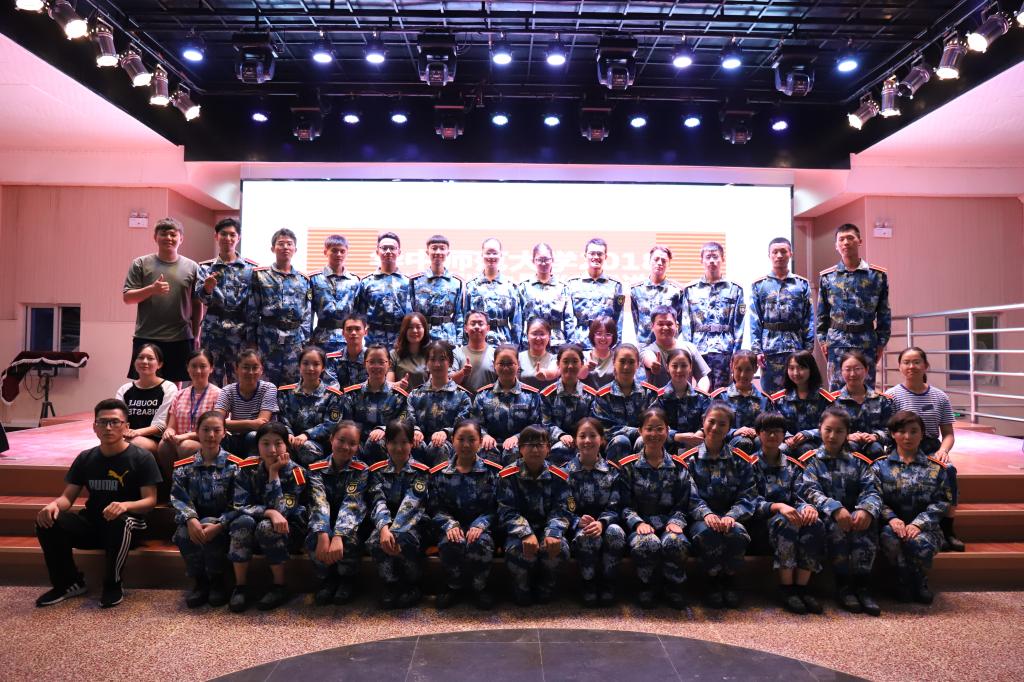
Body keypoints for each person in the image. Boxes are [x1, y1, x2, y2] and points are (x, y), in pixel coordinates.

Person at [35, 399, 161, 608]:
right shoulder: (86, 458)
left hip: (128, 525)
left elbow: (150, 501)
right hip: (93, 523)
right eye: (102, 422)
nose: (108, 427)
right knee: (48, 521)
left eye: (115, 422)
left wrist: (125, 506)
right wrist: (54, 505)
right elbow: (67, 498)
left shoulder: (142, 457)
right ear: (94, 427)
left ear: (126, 427)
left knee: (120, 521)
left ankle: (113, 584)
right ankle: (68, 583)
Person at [227, 421, 324, 612]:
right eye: (265, 443)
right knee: (241, 522)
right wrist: (268, 512)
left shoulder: (297, 473)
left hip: (288, 530)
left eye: (278, 444)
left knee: (267, 526)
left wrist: (274, 473)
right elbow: (239, 505)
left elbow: (282, 511)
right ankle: (240, 587)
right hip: (255, 526)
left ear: (286, 446)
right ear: (257, 446)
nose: (272, 450)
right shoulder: (246, 468)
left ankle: (279, 586)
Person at [798, 406, 882, 616]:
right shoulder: (811, 460)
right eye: (828, 430)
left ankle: (863, 587)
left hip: (855, 514)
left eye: (839, 431)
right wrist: (835, 508)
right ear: (820, 429)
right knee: (836, 527)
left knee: (867, 523)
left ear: (847, 433)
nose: (832, 436)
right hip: (828, 517)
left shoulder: (858, 461)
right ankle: (843, 586)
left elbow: (872, 490)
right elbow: (809, 490)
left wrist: (866, 509)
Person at [618, 408, 701, 609]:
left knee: (675, 541)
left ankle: (674, 587)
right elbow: (623, 504)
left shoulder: (679, 466)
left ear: (667, 431)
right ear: (640, 431)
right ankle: (647, 586)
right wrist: (638, 522)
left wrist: (676, 521)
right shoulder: (628, 467)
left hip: (669, 523)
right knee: (647, 542)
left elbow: (685, 502)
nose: (654, 434)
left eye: (659, 429)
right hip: (640, 525)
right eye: (649, 429)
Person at [680, 403, 758, 609]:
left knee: (737, 533)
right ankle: (712, 581)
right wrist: (706, 514)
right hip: (700, 518)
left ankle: (729, 579)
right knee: (708, 532)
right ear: (703, 422)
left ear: (730, 427)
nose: (715, 428)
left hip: (731, 516)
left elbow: (748, 495)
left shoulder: (740, 460)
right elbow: (688, 495)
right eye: (711, 422)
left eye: (722, 424)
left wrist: (732, 515)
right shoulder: (689, 460)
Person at [874, 411, 954, 604]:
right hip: (891, 525)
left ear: (922, 434)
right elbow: (874, 497)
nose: (907, 437)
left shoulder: (935, 467)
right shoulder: (879, 466)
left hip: (926, 528)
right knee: (890, 538)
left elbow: (942, 501)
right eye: (901, 431)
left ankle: (918, 580)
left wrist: (918, 524)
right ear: (893, 434)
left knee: (918, 543)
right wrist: (892, 518)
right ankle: (903, 580)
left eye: (913, 431)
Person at [886, 346, 962, 551]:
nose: (911, 366)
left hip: (930, 448)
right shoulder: (891, 396)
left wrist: (943, 451)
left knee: (948, 470)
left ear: (926, 365)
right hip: (901, 447)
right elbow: (888, 431)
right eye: (906, 362)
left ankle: (948, 529)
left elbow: (948, 434)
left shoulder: (940, 396)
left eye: (916, 362)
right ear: (900, 367)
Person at [750, 411, 825, 615]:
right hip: (761, 523)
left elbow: (802, 494)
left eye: (777, 431)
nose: (772, 435)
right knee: (785, 522)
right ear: (758, 434)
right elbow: (749, 501)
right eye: (767, 431)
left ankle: (802, 587)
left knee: (814, 523)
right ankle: (787, 588)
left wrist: (807, 507)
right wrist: (778, 507)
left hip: (790, 516)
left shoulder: (793, 465)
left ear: (784, 434)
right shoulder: (749, 465)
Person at [169, 410, 241, 608]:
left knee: (210, 526)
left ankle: (217, 581)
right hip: (194, 521)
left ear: (224, 433)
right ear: (196, 432)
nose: (211, 435)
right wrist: (190, 519)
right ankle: (200, 582)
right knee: (183, 533)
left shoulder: (236, 465)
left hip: (224, 523)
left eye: (216, 430)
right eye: (206, 430)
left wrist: (220, 524)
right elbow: (178, 497)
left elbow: (240, 502)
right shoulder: (183, 466)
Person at [429, 419, 502, 610]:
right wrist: (450, 524)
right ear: (452, 440)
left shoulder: (492, 472)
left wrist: (481, 524)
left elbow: (497, 507)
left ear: (480, 442)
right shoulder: (440, 473)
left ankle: (480, 587)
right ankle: (454, 586)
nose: (466, 445)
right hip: (452, 526)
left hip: (482, 527)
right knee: (451, 541)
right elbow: (435, 508)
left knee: (480, 542)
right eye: (461, 439)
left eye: (472, 439)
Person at [497, 424, 571, 606]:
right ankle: (521, 588)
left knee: (560, 547)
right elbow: (506, 510)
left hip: (547, 528)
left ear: (548, 449)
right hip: (519, 532)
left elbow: (563, 509)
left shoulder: (559, 476)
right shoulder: (507, 476)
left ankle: (546, 586)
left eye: (540, 445)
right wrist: (525, 533)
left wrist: (553, 532)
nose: (535, 450)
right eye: (530, 445)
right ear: (520, 448)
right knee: (516, 549)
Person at [122, 217, 200, 383]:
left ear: (181, 239)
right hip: (147, 336)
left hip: (180, 338)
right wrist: (152, 289)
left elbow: (196, 303)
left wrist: (196, 335)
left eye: (173, 234)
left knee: (174, 389)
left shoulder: (192, 267)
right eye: (164, 234)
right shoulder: (140, 263)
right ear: (155, 237)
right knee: (145, 385)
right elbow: (127, 298)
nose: (168, 238)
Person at [816, 223, 891, 391]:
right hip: (837, 342)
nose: (846, 242)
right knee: (837, 392)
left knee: (865, 390)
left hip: (866, 342)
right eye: (841, 239)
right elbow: (822, 314)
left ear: (860, 241)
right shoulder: (827, 277)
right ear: (836, 245)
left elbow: (884, 313)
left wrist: (881, 343)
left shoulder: (877, 276)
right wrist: (823, 341)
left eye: (850, 238)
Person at [305, 421, 372, 606]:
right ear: (331, 439)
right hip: (323, 520)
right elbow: (319, 501)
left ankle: (346, 580)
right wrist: (323, 533)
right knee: (314, 538)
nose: (346, 447)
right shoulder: (315, 469)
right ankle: (327, 579)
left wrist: (338, 535)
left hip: (350, 522)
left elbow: (352, 504)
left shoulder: (361, 470)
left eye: (352, 443)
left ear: (358, 446)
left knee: (350, 540)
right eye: (341, 440)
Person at [367, 419, 430, 609]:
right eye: (393, 442)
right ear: (386, 444)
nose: (399, 448)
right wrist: (384, 528)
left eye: (404, 442)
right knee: (375, 540)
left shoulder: (421, 471)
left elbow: (412, 504)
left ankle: (412, 585)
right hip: (385, 523)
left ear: (412, 443)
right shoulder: (377, 471)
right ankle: (391, 584)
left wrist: (393, 531)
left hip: (414, 523)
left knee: (404, 538)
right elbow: (377, 500)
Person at [563, 418, 625, 607]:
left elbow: (616, 505)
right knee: (586, 535)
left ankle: (608, 583)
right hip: (578, 526)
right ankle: (588, 583)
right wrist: (577, 519)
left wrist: (602, 522)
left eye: (592, 436)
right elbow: (566, 504)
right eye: (582, 436)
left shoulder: (613, 472)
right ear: (575, 440)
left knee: (615, 533)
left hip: (607, 523)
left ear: (602, 440)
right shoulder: (566, 472)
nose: (587, 440)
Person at [195, 218, 257, 386]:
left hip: (239, 331)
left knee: (238, 379)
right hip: (213, 330)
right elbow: (200, 298)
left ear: (239, 238)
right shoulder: (206, 268)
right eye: (223, 234)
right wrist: (207, 288)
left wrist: (252, 336)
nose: (228, 238)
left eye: (232, 235)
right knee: (211, 378)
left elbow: (254, 305)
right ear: (216, 236)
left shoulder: (251, 269)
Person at [247, 228, 312, 386]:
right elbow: (251, 311)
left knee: (292, 385)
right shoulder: (260, 275)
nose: (285, 247)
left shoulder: (304, 280)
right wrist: (252, 342)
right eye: (281, 244)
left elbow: (307, 313)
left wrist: (304, 341)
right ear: (273, 248)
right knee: (265, 384)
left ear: (295, 249)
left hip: (294, 342)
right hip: (268, 339)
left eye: (289, 244)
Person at [750, 238, 814, 394]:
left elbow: (809, 319)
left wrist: (808, 348)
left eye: (783, 251)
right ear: (769, 255)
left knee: (797, 392)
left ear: (791, 253)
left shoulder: (802, 284)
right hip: (769, 349)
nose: (779, 255)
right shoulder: (760, 285)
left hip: (796, 347)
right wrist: (757, 350)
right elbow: (754, 319)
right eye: (775, 252)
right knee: (770, 395)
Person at [679, 242, 746, 391]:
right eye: (708, 257)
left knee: (723, 393)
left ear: (722, 259)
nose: (712, 261)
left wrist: (736, 353)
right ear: (701, 260)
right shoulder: (690, 289)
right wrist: (688, 352)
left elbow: (739, 324)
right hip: (699, 349)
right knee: (701, 392)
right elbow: (686, 323)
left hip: (725, 349)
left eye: (715, 257)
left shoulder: (735, 289)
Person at [471, 344, 543, 465]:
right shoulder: (483, 395)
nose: (505, 368)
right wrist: (485, 436)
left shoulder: (531, 395)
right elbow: (475, 424)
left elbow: (536, 425)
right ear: (494, 365)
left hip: (520, 446)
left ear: (518, 364)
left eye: (510, 364)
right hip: (489, 444)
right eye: (501, 364)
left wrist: (518, 437)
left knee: (514, 452)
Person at [275, 346, 347, 466]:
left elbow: (331, 424)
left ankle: (309, 476)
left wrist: (307, 435)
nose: (310, 368)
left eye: (316, 364)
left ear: (323, 367)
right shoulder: (285, 392)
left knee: (306, 447)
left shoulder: (333, 396)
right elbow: (282, 418)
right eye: (305, 363)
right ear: (299, 366)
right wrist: (288, 433)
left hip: (317, 444)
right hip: (288, 439)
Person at [158, 349, 221, 484]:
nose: (198, 371)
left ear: (211, 369)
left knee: (186, 446)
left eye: (203, 366)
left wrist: (185, 436)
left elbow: (216, 429)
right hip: (179, 440)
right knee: (164, 445)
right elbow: (171, 426)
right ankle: (174, 485)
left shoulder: (219, 394)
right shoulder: (179, 394)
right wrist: (169, 431)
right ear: (187, 368)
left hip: (207, 442)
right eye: (193, 366)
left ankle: (191, 487)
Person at [408, 340, 474, 466]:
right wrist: (415, 430)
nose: (437, 364)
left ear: (450, 362)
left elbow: (463, 426)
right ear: (426, 363)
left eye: (442, 359)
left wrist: (446, 432)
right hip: (419, 444)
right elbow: (408, 420)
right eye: (432, 359)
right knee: (413, 443)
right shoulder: (415, 395)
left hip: (449, 447)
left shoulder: (462, 396)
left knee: (439, 446)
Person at [592, 344, 660, 463]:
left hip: (645, 442)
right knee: (621, 441)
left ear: (638, 364)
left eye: (631, 362)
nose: (626, 367)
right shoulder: (603, 396)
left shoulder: (649, 393)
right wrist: (638, 432)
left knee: (645, 440)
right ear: (614, 362)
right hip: (615, 448)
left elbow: (656, 424)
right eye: (622, 361)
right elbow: (605, 429)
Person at [344, 344, 411, 464]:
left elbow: (403, 423)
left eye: (381, 362)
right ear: (364, 364)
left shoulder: (398, 396)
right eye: (371, 362)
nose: (376, 366)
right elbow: (345, 423)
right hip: (356, 443)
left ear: (389, 364)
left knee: (377, 442)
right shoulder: (352, 394)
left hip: (387, 445)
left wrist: (385, 429)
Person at [115, 343, 179, 457]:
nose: (145, 361)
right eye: (140, 357)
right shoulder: (124, 389)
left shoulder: (168, 387)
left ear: (159, 364)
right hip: (128, 437)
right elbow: (117, 418)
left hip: (157, 442)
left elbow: (161, 425)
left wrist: (136, 432)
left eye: (150, 358)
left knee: (134, 443)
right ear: (134, 362)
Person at [539, 344, 599, 466]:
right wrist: (561, 435)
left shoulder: (591, 395)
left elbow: (593, 423)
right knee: (561, 448)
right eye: (565, 362)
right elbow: (545, 424)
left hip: (585, 441)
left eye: (575, 362)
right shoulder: (547, 395)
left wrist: (580, 438)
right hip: (555, 442)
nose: (570, 366)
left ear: (582, 364)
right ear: (558, 364)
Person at [214, 348, 278, 457]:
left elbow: (262, 424)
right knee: (216, 435)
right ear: (236, 369)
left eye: (255, 368)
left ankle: (252, 467)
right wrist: (252, 423)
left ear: (261, 370)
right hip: (236, 438)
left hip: (263, 438)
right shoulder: (228, 390)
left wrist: (229, 424)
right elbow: (216, 421)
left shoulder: (269, 388)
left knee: (253, 436)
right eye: (246, 367)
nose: (251, 372)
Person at [832, 350, 894, 460]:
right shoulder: (832, 400)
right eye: (848, 369)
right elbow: (824, 429)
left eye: (857, 369)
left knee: (875, 448)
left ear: (866, 370)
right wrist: (846, 436)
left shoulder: (881, 400)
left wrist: (875, 436)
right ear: (841, 372)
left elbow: (891, 430)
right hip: (843, 453)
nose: (852, 374)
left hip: (874, 450)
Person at [710, 350, 775, 454]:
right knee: (743, 442)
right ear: (731, 366)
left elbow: (771, 427)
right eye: (738, 369)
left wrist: (757, 432)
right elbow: (710, 428)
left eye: (748, 370)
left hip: (759, 449)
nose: (743, 375)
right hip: (726, 451)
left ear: (755, 369)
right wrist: (735, 432)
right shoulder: (720, 397)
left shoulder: (764, 400)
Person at [770, 350, 832, 457]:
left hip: (816, 444)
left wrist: (808, 434)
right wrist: (787, 437)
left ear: (811, 369)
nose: (796, 373)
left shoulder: (824, 399)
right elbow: (775, 424)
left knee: (805, 449)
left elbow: (831, 427)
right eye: (791, 368)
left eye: (801, 368)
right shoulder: (778, 399)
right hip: (786, 443)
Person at [357, 232, 413, 348]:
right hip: (374, 339)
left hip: (400, 340)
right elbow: (360, 314)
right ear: (377, 251)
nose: (388, 251)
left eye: (392, 248)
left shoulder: (408, 282)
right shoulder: (366, 282)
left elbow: (413, 313)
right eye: (384, 248)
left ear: (399, 252)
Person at [464, 237, 522, 347]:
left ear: (500, 255)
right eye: (488, 253)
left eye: (495, 253)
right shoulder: (471, 286)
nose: (491, 256)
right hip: (478, 340)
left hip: (503, 340)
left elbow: (516, 321)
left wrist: (515, 347)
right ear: (482, 254)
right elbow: (465, 318)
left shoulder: (510, 287)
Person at [517, 242, 576, 351]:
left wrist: (571, 347)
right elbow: (518, 320)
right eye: (540, 260)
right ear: (533, 261)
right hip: (530, 342)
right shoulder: (524, 287)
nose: (543, 263)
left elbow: (569, 320)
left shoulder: (562, 287)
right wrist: (517, 346)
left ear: (552, 260)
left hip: (556, 342)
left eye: (546, 259)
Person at [567, 238, 624, 349]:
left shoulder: (615, 285)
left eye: (600, 254)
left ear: (605, 257)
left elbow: (619, 319)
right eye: (592, 253)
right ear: (585, 256)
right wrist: (571, 345)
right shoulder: (572, 284)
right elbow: (568, 318)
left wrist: (616, 347)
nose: (596, 257)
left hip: (605, 343)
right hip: (579, 343)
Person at [310, 234, 362, 354]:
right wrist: (308, 338)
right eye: (334, 251)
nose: (339, 254)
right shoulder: (315, 279)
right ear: (325, 252)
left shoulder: (355, 281)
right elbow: (308, 313)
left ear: (347, 253)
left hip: (347, 338)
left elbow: (358, 313)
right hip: (321, 338)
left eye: (342, 251)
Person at [410, 234, 464, 347]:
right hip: (422, 336)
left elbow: (459, 315)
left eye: (442, 248)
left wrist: (459, 342)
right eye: (434, 248)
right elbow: (410, 313)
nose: (438, 252)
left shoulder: (456, 282)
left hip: (448, 336)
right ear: (427, 252)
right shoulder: (415, 281)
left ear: (448, 252)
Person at [656, 348, 712, 454]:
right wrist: (677, 436)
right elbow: (654, 426)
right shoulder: (658, 397)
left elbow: (711, 421)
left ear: (690, 367)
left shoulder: (702, 398)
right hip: (665, 450)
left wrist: (700, 433)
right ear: (667, 367)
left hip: (697, 448)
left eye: (684, 366)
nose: (679, 370)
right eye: (674, 366)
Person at [639, 305, 710, 388]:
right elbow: (648, 357)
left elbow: (703, 377)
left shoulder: (690, 348)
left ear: (676, 326)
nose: (665, 328)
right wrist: (653, 364)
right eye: (660, 324)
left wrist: (701, 393)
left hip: (687, 396)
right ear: (652, 327)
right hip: (660, 396)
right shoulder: (647, 350)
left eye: (669, 324)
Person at [631, 245, 684, 348]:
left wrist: (670, 338)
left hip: (668, 346)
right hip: (644, 345)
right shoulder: (636, 290)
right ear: (649, 261)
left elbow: (680, 322)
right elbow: (636, 320)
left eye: (664, 261)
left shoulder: (677, 291)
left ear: (669, 264)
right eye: (656, 259)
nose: (659, 263)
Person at [451, 310, 498, 394]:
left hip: (489, 401)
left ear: (488, 328)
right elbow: (450, 383)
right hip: (463, 401)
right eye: (473, 324)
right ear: (465, 328)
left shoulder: (496, 354)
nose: (476, 327)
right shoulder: (456, 353)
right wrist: (462, 373)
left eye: (481, 324)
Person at [325, 312, 370, 389]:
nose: (353, 333)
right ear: (343, 333)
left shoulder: (372, 358)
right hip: (338, 396)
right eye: (349, 329)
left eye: (357, 329)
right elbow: (332, 387)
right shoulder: (332, 359)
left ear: (365, 332)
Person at [388, 312, 430, 390]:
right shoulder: (394, 354)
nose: (414, 331)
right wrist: (398, 385)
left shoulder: (431, 354)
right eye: (410, 327)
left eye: (418, 327)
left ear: (424, 329)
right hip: (400, 397)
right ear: (404, 330)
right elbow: (388, 385)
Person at [518, 317, 559, 391]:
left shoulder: (555, 359)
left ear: (549, 336)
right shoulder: (518, 358)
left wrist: (545, 373)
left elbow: (553, 372)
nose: (538, 338)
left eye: (542, 334)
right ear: (527, 335)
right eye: (534, 334)